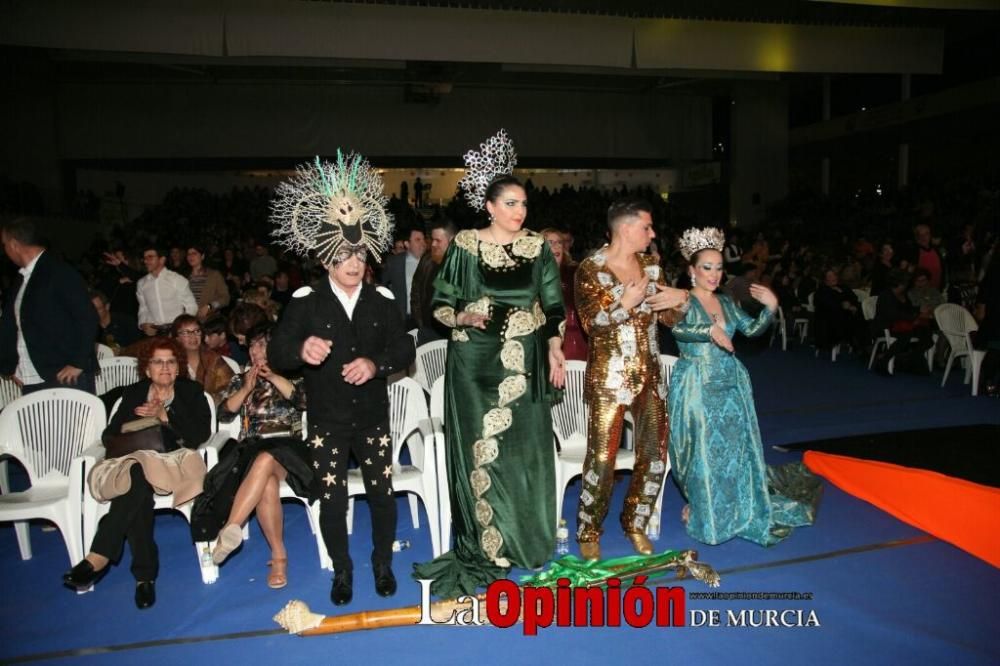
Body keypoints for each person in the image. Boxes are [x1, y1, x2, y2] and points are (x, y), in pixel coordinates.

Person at [412, 130, 567, 598]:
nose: (520, 212)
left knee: (527, 454)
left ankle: (525, 541)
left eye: (523, 203)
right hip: (475, 364)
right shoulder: (465, 245)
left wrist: (556, 346)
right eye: (511, 204)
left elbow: (554, 303)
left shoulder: (539, 247)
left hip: (527, 364)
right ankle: (486, 543)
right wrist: (460, 315)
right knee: (481, 452)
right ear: (491, 207)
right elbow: (438, 304)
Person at [269, 150, 413, 607]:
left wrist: (376, 364)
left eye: (358, 253)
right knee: (331, 501)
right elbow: (276, 352)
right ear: (326, 258)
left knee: (382, 494)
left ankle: (382, 563)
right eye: (343, 254)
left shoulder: (382, 300)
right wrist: (299, 351)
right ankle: (343, 570)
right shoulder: (305, 302)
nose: (353, 262)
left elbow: (405, 347)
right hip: (328, 419)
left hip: (372, 417)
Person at [668, 227, 820, 546]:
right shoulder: (681, 300)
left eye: (719, 267)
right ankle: (703, 505)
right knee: (700, 451)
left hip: (732, 384)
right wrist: (708, 330)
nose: (714, 273)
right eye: (706, 267)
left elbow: (750, 330)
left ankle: (734, 505)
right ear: (691, 270)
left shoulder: (726, 300)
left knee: (734, 450)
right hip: (697, 383)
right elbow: (680, 330)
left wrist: (770, 307)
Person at [572, 201, 688, 561]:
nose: (653, 234)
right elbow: (592, 325)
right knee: (602, 460)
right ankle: (589, 530)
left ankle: (635, 522)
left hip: (649, 375)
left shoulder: (652, 265)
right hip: (609, 378)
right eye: (647, 228)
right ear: (626, 229)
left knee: (654, 455)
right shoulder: (589, 269)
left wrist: (680, 302)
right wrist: (627, 302)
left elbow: (668, 318)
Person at [61, 337, 212, 608]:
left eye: (170, 361)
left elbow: (200, 435)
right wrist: (137, 421)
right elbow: (109, 435)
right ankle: (144, 578)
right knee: (138, 479)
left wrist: (166, 416)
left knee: (137, 475)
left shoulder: (192, 391)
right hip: (137, 465)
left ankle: (102, 557)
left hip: (176, 464)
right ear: (146, 369)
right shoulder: (133, 393)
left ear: (178, 367)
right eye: (157, 362)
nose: (164, 367)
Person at [199, 322, 310, 589]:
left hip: (288, 450)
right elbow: (224, 413)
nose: (256, 351)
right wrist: (246, 388)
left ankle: (231, 528)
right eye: (252, 346)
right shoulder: (240, 378)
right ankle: (279, 556)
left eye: (263, 344)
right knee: (266, 481)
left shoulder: (294, 374)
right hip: (250, 449)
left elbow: (304, 401)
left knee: (266, 459)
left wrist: (272, 377)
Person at [0, 217, 98, 394]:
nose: (4, 250)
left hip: (64, 374)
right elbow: (14, 326)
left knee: (74, 422)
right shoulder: (22, 279)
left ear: (14, 244)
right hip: (31, 376)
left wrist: (78, 363)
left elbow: (87, 317)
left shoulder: (58, 271)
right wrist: (11, 365)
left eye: (4, 244)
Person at [543, 228, 588, 361]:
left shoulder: (575, 272)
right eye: (550, 242)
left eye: (559, 242)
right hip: (545, 340)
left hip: (574, 338)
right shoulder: (533, 277)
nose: (556, 246)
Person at [410, 219, 456, 346]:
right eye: (432, 239)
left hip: (452, 335)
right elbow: (416, 290)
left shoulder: (462, 265)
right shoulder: (427, 259)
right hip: (427, 331)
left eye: (438, 240)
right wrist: (420, 322)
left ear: (451, 240)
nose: (433, 244)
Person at [171, 314, 234, 405]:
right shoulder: (171, 362)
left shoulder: (213, 359)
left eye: (197, 331)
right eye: (186, 332)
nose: (193, 336)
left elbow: (232, 387)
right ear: (177, 338)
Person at [136, 244, 197, 336]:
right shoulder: (141, 283)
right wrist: (143, 324)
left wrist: (181, 328)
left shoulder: (177, 279)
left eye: (150, 257)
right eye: (145, 258)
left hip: (177, 331)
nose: (146, 261)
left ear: (162, 260)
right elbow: (143, 308)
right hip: (155, 332)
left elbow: (192, 307)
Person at [381, 228, 427, 326]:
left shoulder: (431, 261)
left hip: (426, 319)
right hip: (402, 319)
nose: (423, 243)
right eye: (418, 240)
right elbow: (382, 285)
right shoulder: (395, 262)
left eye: (424, 239)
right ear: (407, 244)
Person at [186, 245, 230, 321]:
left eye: (194, 253)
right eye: (188, 254)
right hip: (189, 321)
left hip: (209, 321)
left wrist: (210, 306)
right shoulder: (184, 278)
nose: (190, 256)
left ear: (202, 256)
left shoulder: (214, 275)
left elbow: (225, 298)